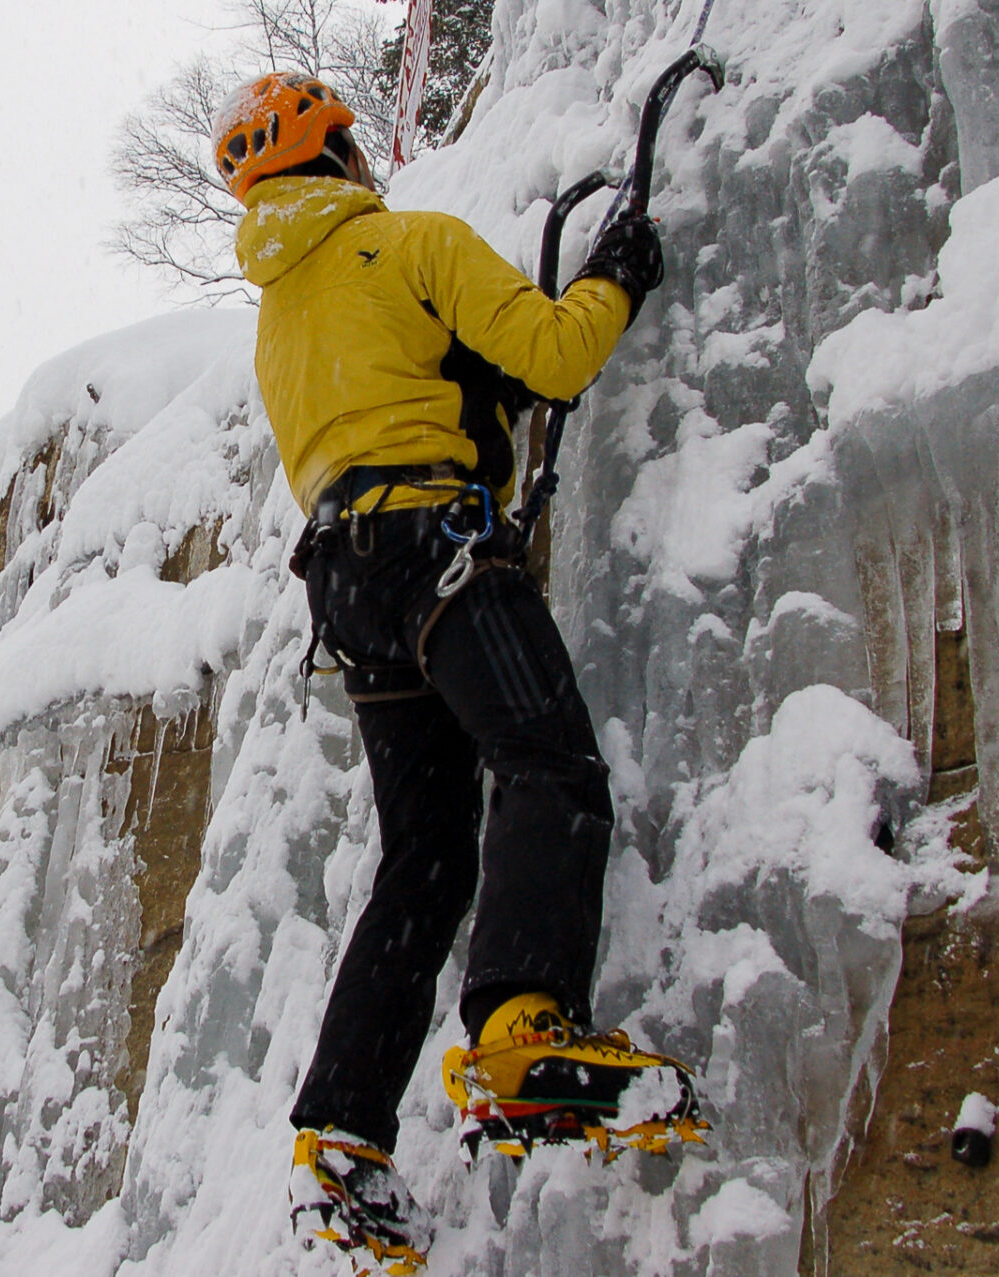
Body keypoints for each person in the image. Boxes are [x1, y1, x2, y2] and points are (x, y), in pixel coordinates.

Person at [213, 72, 703, 1273]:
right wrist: (619, 272)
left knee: (424, 867)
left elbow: (393, 405)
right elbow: (555, 352)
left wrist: (467, 400)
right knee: (549, 764)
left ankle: (339, 1140)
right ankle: (526, 1027)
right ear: (343, 159)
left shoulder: (281, 318)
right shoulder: (409, 244)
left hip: (349, 589)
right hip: (437, 553)